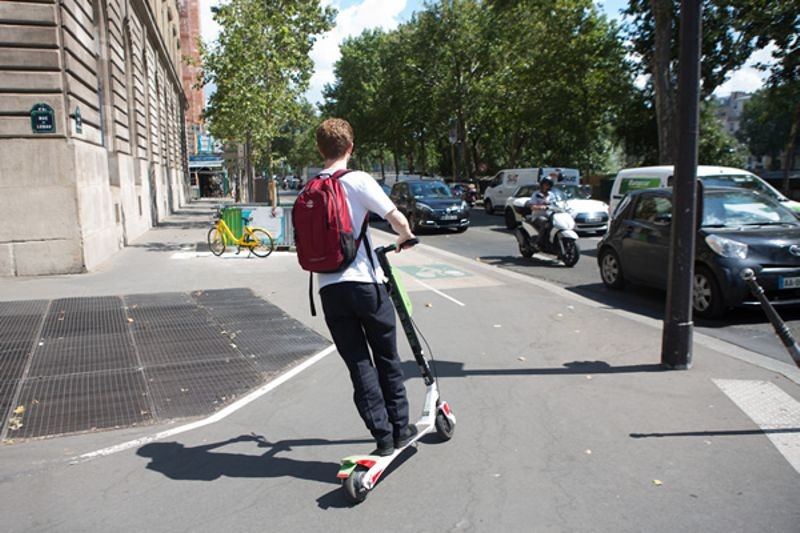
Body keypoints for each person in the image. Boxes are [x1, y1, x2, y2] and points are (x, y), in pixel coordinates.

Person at [314, 118, 418, 457]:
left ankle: (382, 435)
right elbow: (396, 218)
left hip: (329, 289)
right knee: (387, 357)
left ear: (320, 149)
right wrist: (405, 237)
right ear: (350, 148)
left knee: (358, 365)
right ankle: (401, 429)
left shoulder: (311, 186)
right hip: (365, 285)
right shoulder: (357, 180)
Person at [527, 175, 555, 247]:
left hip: (550, 216)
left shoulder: (551, 195)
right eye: (545, 184)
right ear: (542, 185)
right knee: (544, 223)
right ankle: (538, 242)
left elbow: (556, 203)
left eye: (549, 184)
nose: (547, 186)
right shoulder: (536, 194)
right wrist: (540, 207)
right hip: (538, 216)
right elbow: (532, 206)